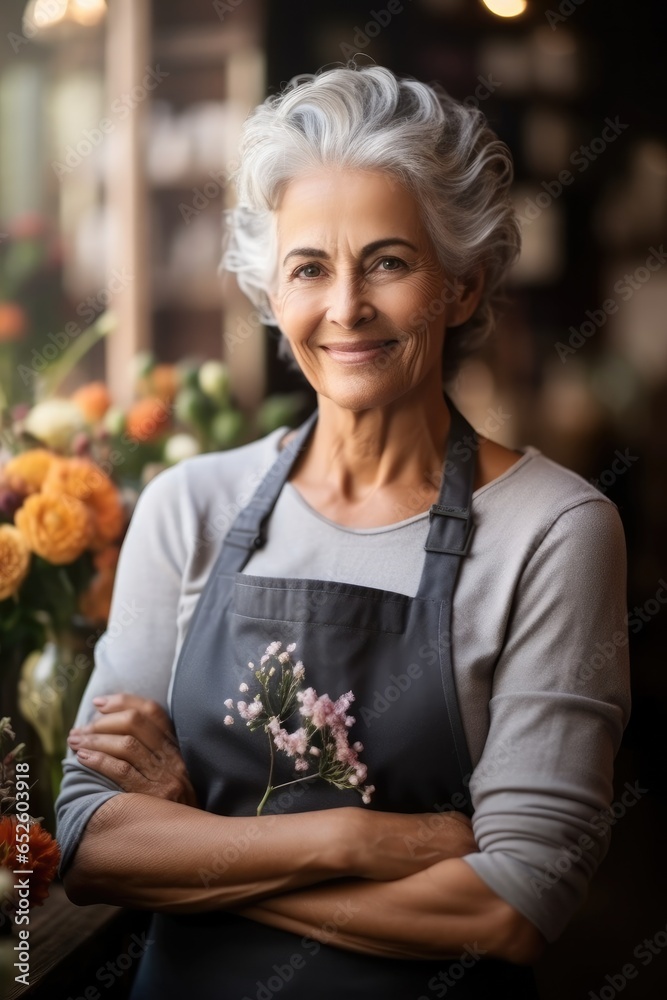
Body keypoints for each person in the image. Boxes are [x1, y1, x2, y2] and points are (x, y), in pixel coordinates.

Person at [56, 66, 630, 999]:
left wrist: (201, 846)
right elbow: (89, 846)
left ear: (464, 284)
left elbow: (511, 905)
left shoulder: (554, 529)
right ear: (270, 293)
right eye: (309, 267)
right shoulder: (186, 506)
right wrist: (357, 838)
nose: (346, 307)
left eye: (390, 261)